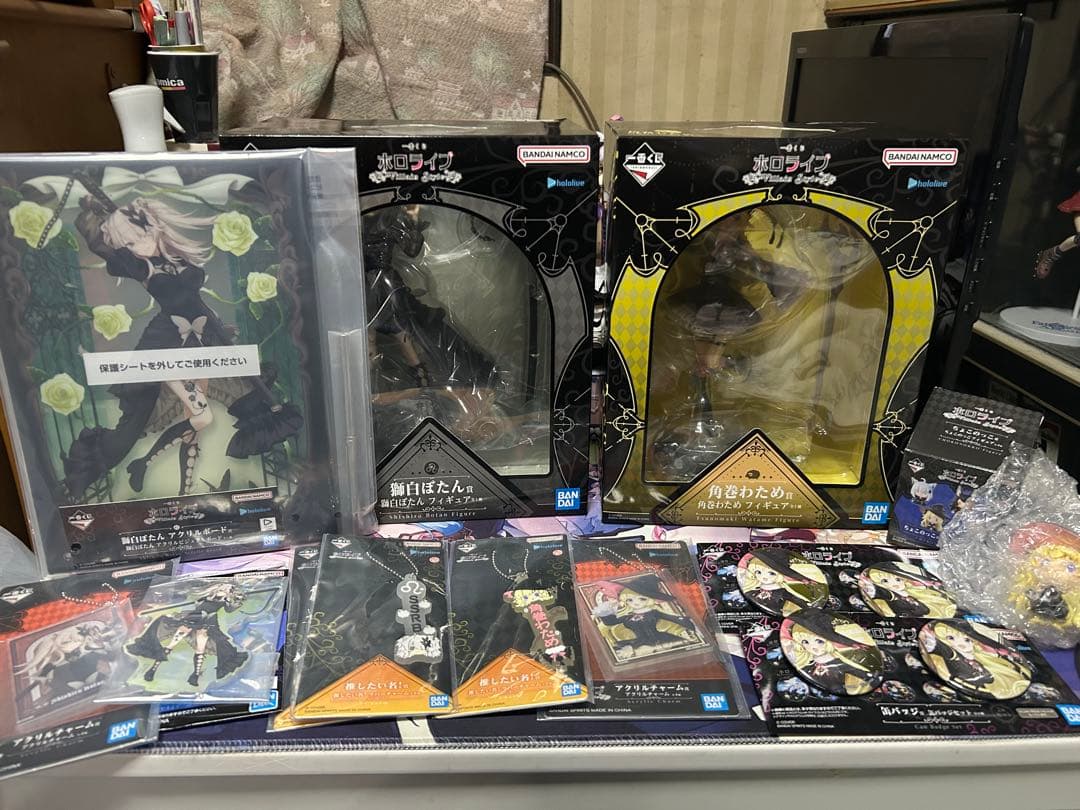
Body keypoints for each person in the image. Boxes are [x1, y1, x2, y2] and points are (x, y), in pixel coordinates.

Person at [65, 191, 300, 498]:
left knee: (198, 421)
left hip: (202, 339)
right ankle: (143, 464)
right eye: (128, 244)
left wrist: (217, 326)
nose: (135, 248)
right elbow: (104, 248)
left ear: (153, 228)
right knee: (201, 417)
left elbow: (195, 301)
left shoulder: (174, 259)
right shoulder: (142, 267)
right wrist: (92, 213)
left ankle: (180, 492)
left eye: (137, 239)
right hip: (168, 345)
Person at [126, 580, 250, 688]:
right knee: (172, 643)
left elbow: (229, 610)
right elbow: (197, 603)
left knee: (200, 648)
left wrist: (237, 601)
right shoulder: (207, 595)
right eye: (224, 588)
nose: (225, 590)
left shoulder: (226, 600)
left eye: (228, 589)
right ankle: (152, 670)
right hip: (194, 617)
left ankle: (195, 676)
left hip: (208, 621)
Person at [589, 578, 702, 661]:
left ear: (651, 600)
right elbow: (612, 622)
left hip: (659, 639)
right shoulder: (627, 616)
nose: (635, 603)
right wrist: (603, 613)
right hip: (638, 642)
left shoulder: (654, 612)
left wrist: (693, 626)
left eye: (642, 599)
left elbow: (674, 618)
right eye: (630, 600)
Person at [920, 621, 1032, 700]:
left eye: (967, 640)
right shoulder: (949, 656)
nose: (961, 644)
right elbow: (933, 646)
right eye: (951, 638)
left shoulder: (991, 659)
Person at [783, 609, 882, 696]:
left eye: (819, 641)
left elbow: (858, 684)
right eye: (805, 642)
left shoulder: (847, 660)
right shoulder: (804, 660)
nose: (814, 648)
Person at [737, 548, 827, 616]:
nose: (764, 577)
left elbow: (798, 607)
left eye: (771, 573)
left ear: (781, 575)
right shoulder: (752, 589)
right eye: (758, 572)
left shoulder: (785, 592)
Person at [859, 561, 957, 618]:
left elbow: (924, 609)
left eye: (898, 579)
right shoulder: (887, 599)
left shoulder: (917, 591)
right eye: (885, 581)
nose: (894, 584)